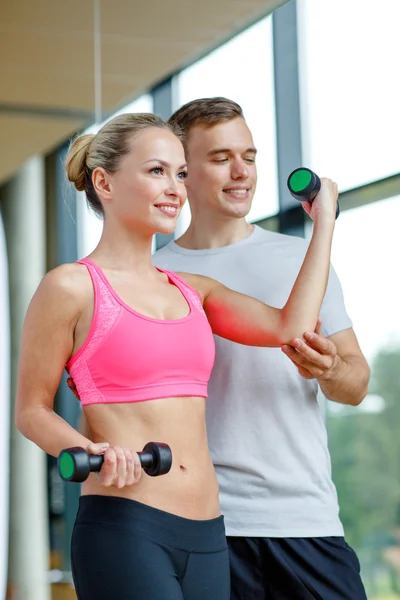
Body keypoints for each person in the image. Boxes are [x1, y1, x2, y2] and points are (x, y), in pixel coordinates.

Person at [15, 111, 336, 600]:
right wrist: (88, 450)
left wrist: (324, 225)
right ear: (104, 181)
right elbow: (31, 410)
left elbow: (289, 326)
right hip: (126, 525)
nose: (175, 189)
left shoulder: (192, 291)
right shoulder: (71, 287)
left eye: (180, 173)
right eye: (156, 171)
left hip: (209, 532)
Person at [152, 97, 370, 600]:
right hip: (204, 523)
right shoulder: (155, 277)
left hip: (305, 519)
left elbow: (355, 386)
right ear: (181, 172)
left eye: (248, 156)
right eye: (221, 157)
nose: (241, 172)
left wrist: (330, 368)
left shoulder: (302, 259)